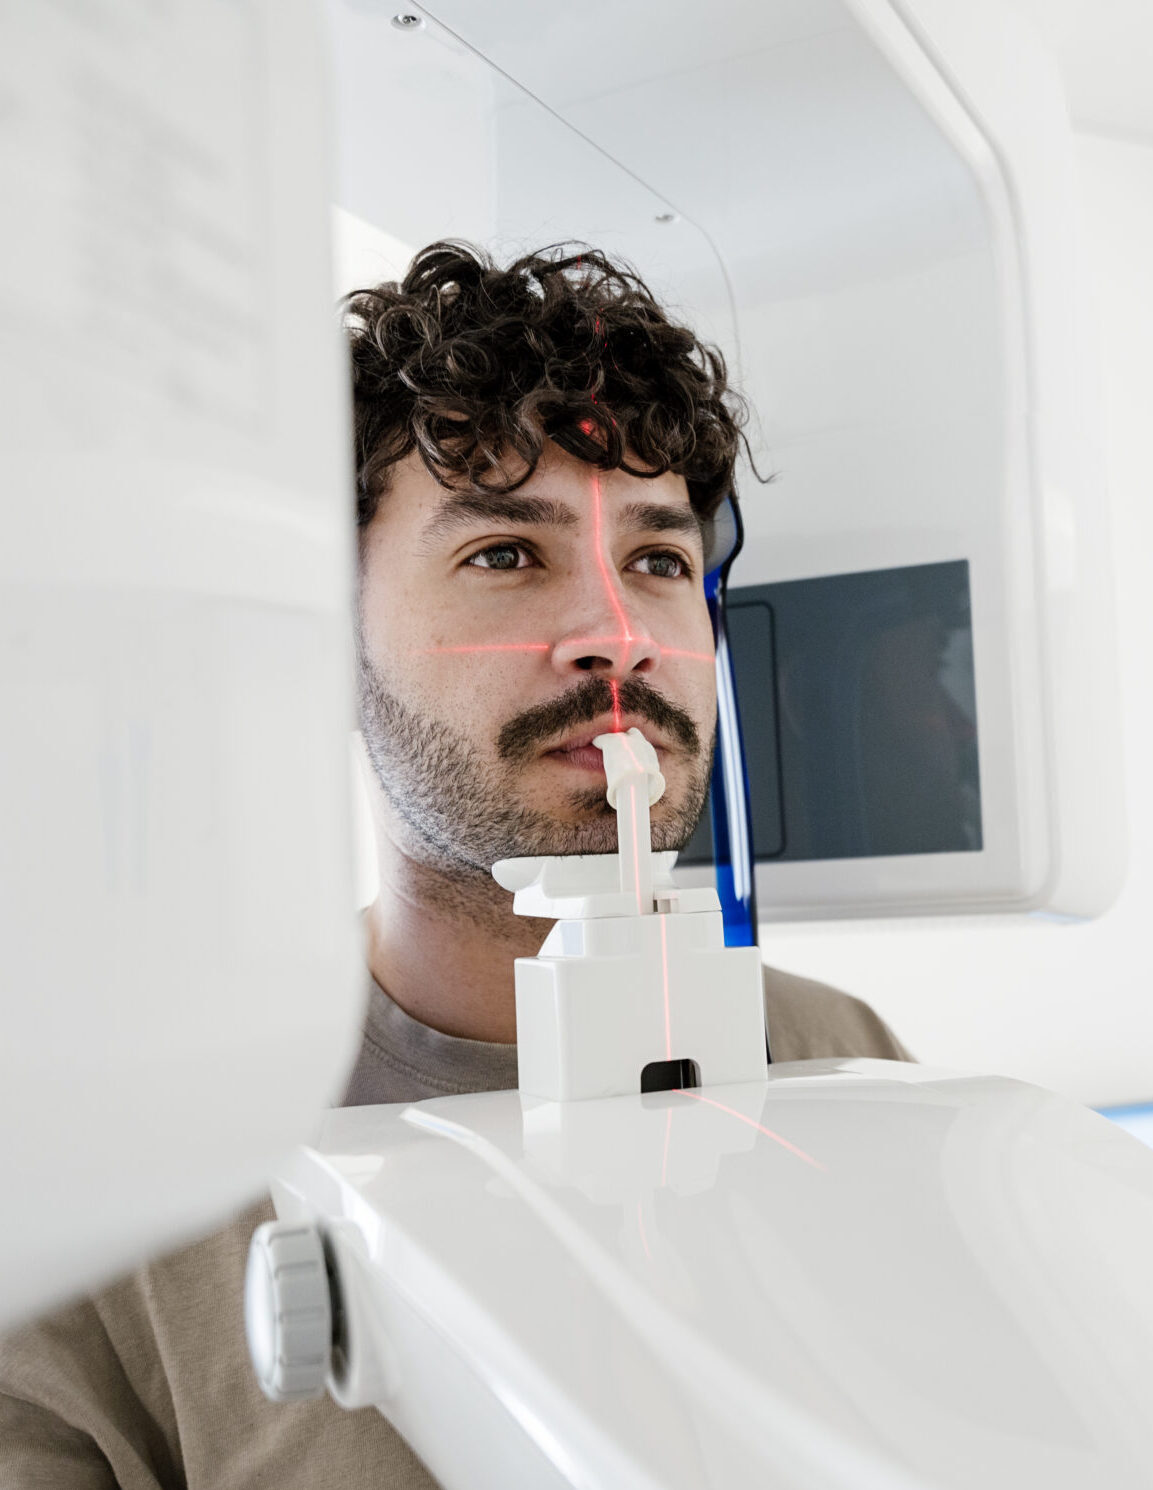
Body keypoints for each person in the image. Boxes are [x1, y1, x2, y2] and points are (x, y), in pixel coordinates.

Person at [0, 242, 911, 1489]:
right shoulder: (119, 1177)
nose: (616, 636)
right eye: (503, 552)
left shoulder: (836, 1059)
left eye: (657, 560)